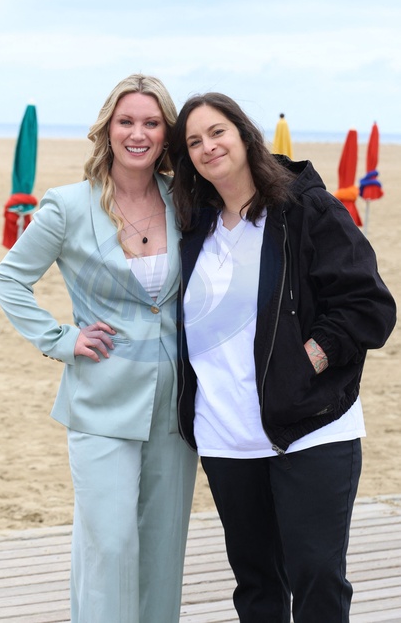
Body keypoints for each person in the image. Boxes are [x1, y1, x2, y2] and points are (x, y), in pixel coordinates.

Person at [169, 92, 396, 623]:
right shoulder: (193, 225)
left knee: (316, 576)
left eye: (217, 132)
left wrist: (307, 361)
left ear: (244, 134)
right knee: (257, 586)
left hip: (310, 428)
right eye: (194, 141)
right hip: (225, 435)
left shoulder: (305, 209)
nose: (208, 147)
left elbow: (369, 306)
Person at [0, 74, 198, 623]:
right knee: (110, 547)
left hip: (176, 408)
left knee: (163, 552)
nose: (138, 133)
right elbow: (9, 280)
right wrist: (61, 339)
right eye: (126, 121)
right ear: (107, 129)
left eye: (151, 123)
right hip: (101, 403)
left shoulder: (185, 201)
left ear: (166, 133)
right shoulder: (66, 206)